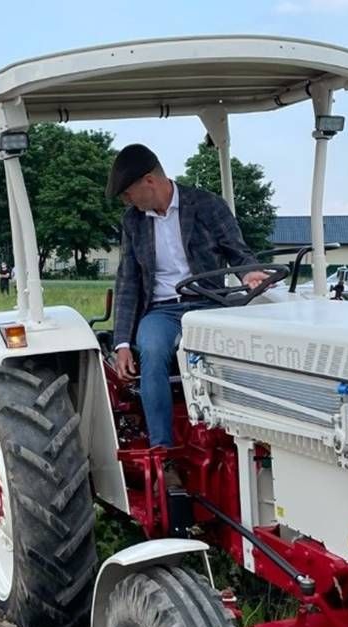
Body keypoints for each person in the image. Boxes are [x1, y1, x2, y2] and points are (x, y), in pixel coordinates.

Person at [108, 143, 264, 449]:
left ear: (149, 181)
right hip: (162, 310)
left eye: (127, 193)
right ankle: (162, 450)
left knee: (246, 352)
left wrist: (249, 273)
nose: (126, 201)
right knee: (151, 352)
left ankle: (246, 441)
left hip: (209, 305)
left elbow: (237, 250)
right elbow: (128, 279)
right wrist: (122, 342)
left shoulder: (207, 205)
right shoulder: (134, 221)